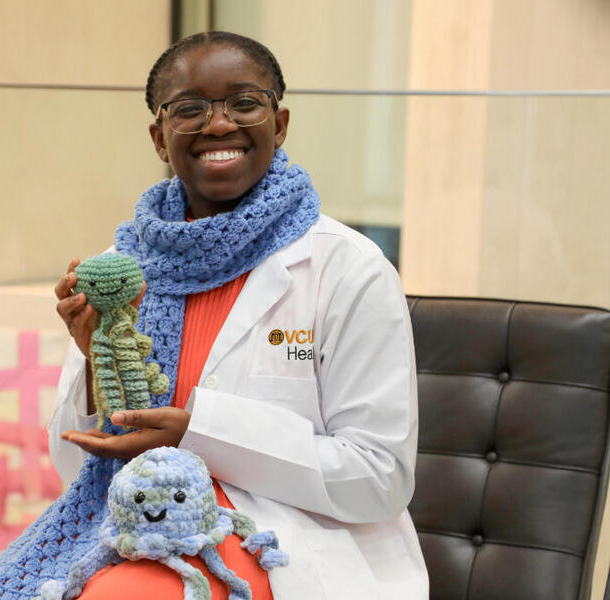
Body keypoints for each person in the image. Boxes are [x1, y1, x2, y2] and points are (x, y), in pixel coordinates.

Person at [49, 31, 428, 599]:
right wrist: (92, 366)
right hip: (139, 523)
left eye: (244, 103)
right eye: (189, 109)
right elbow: (68, 466)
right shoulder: (120, 268)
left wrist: (198, 435)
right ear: (159, 139)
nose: (219, 124)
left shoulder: (349, 267)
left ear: (280, 124)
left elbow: (379, 476)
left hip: (286, 541)